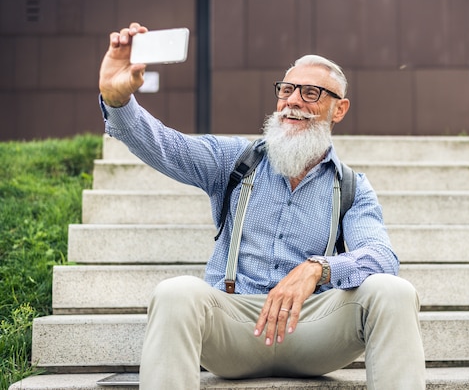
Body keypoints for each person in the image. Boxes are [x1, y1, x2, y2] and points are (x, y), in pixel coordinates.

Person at [98, 22, 426, 390]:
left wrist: (318, 269)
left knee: (394, 292)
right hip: (235, 327)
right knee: (175, 293)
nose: (293, 101)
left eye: (311, 92)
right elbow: (165, 146)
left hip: (313, 330)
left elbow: (383, 257)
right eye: (286, 89)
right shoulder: (233, 161)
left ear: (339, 109)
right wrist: (118, 101)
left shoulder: (351, 186)